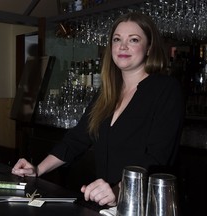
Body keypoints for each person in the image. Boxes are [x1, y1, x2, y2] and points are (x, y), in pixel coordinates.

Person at [12, 12, 184, 207]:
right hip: (107, 205)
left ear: (149, 48)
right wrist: (37, 169)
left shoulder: (165, 89)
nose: (123, 46)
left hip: (143, 205)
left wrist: (118, 191)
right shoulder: (107, 93)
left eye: (133, 40)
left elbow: (158, 159)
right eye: (117, 39)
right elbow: (76, 139)